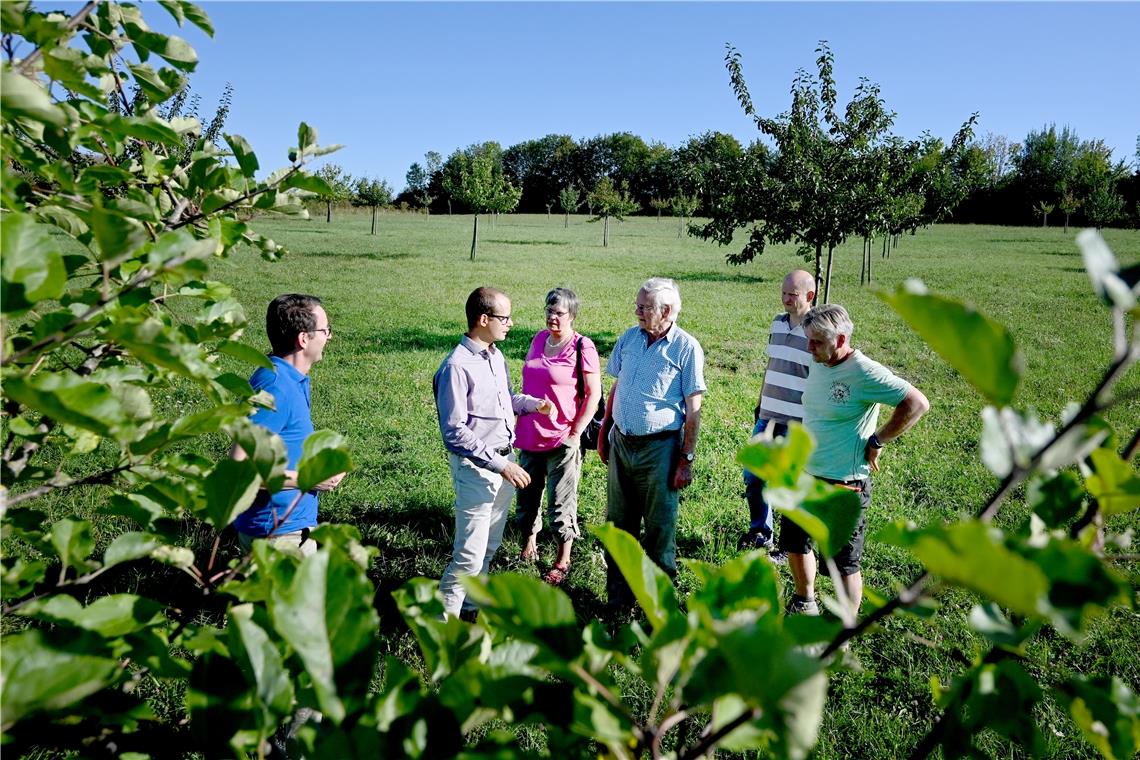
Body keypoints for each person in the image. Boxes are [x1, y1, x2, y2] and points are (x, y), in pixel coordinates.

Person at [782, 304, 930, 617]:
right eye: (808, 340)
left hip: (842, 484)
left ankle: (842, 628)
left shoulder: (863, 371)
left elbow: (916, 403)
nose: (809, 348)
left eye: (817, 342)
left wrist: (878, 439)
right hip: (804, 473)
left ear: (841, 339)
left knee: (842, 564)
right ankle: (804, 601)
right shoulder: (820, 361)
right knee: (796, 544)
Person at [434, 286, 555, 620]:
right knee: (468, 557)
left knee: (488, 547)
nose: (510, 323)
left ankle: (470, 611)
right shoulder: (456, 367)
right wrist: (501, 465)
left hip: (504, 465)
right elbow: (455, 431)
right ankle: (440, 628)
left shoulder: (494, 355)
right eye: (504, 317)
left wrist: (534, 404)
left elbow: (507, 398)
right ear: (483, 319)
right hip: (478, 470)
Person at [598, 277, 706, 608]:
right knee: (618, 525)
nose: (637, 312)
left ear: (667, 311)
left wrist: (685, 460)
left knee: (659, 530)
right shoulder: (630, 339)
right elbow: (617, 386)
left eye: (644, 307)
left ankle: (658, 606)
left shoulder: (686, 348)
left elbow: (693, 411)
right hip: (621, 444)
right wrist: (605, 432)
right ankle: (618, 600)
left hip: (660, 449)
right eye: (638, 305)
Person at [231, 293, 345, 557]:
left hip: (287, 530)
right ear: (304, 339)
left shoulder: (287, 378)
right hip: (278, 536)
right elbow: (239, 469)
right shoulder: (275, 387)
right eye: (325, 330)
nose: (329, 337)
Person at [514, 287, 602, 586]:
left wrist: (575, 433)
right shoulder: (538, 339)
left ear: (572, 315)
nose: (553, 317)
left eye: (559, 313)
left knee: (561, 502)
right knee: (526, 496)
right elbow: (528, 381)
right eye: (549, 311)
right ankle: (529, 544)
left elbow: (594, 394)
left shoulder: (582, 346)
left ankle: (563, 559)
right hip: (529, 432)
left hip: (562, 437)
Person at [738, 270, 816, 561]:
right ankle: (761, 532)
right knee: (754, 476)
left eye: (792, 295)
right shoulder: (777, 323)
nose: (785, 299)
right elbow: (771, 366)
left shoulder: (817, 330)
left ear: (809, 296)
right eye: (783, 293)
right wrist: (760, 403)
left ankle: (790, 546)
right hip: (768, 416)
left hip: (799, 423)